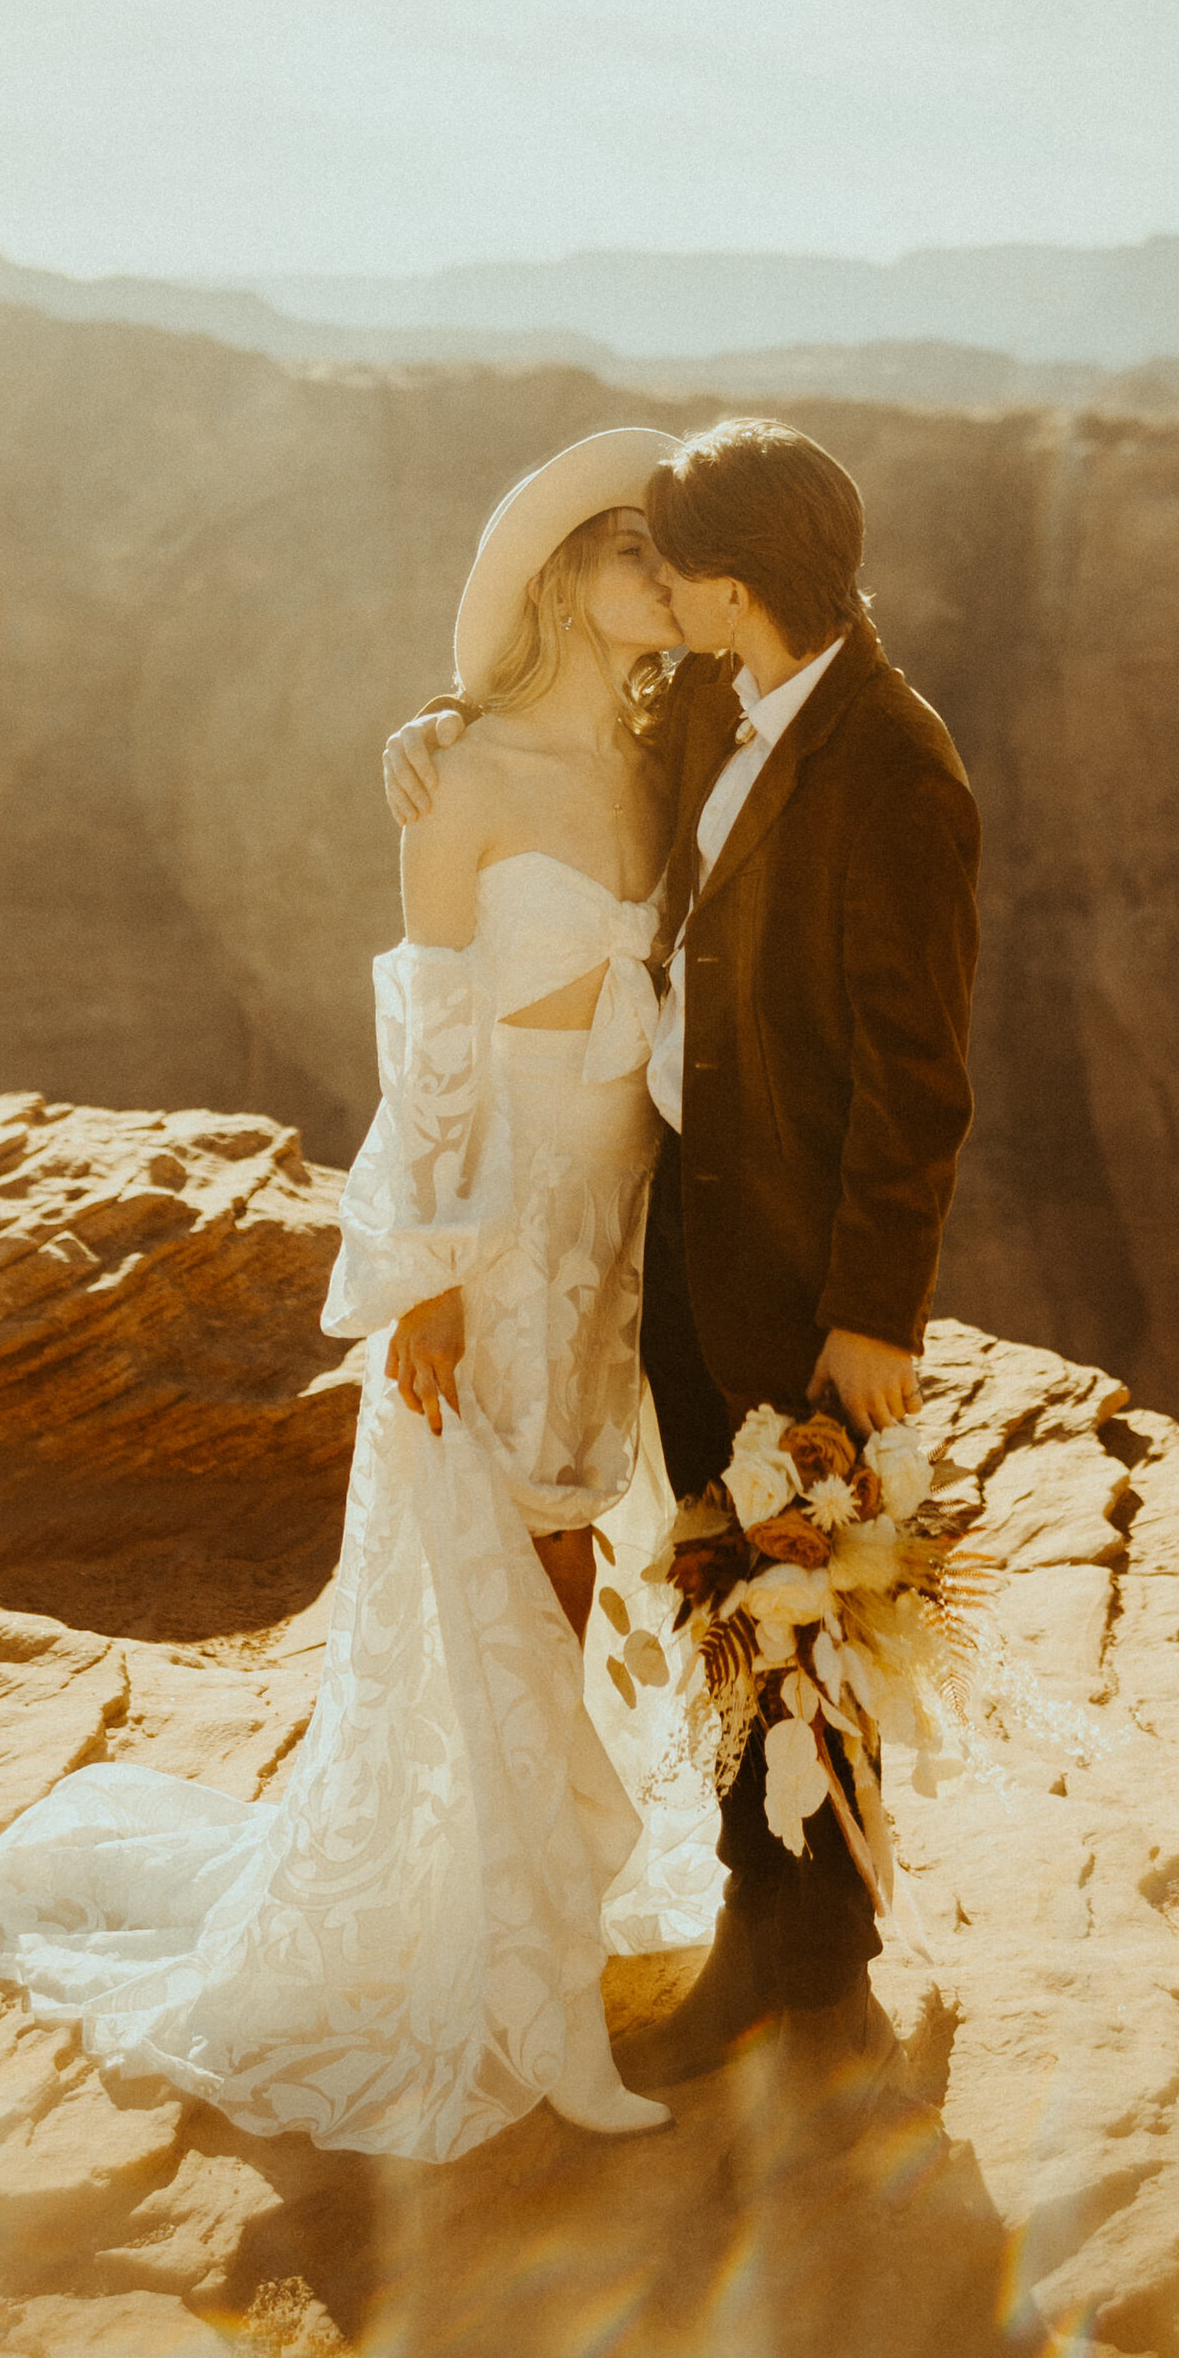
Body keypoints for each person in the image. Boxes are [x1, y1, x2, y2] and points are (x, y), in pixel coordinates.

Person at [0, 429, 695, 2162]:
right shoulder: (471, 774)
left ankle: (539, 1910)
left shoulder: (673, 759)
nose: (665, 582)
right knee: (505, 1559)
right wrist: (424, 1278)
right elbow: (433, 1032)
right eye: (636, 556)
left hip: (620, 1211)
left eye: (676, 559)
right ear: (563, 581)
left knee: (574, 1542)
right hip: (502, 1213)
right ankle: (531, 1988)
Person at [385, 418, 980, 2113]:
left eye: (681, 566)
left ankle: (813, 1963)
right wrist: (429, 739)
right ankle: (780, 1935)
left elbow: (917, 1070)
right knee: (740, 1589)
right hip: (676, 1242)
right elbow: (540, 769)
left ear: (735, 588)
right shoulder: (715, 704)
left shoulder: (895, 766)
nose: (667, 589)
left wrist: (878, 1314)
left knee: (824, 1593)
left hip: (805, 1273)